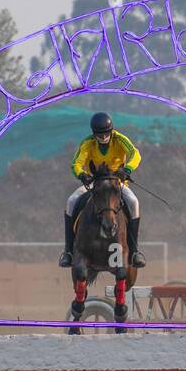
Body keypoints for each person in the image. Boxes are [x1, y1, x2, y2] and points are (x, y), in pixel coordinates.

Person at [60, 112, 146, 268]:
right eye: (100, 135)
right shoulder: (88, 143)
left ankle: (134, 252)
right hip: (96, 182)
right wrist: (82, 175)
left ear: (111, 131)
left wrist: (127, 169)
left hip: (117, 182)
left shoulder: (120, 139)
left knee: (134, 202)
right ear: (94, 134)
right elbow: (76, 163)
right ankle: (68, 252)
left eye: (106, 134)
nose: (104, 137)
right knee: (71, 201)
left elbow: (135, 154)